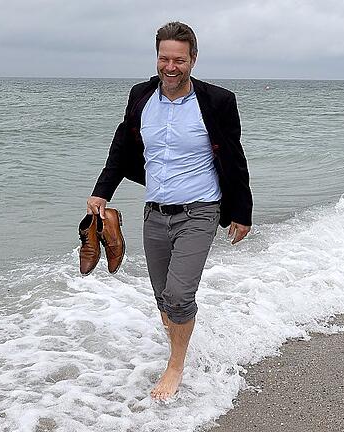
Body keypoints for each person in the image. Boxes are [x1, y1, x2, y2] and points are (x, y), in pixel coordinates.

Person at [86, 21, 253, 400]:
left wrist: (242, 212)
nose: (170, 66)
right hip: (154, 210)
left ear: (193, 59)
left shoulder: (218, 101)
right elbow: (121, 146)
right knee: (163, 296)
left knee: (178, 295)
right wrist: (101, 192)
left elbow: (234, 157)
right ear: (157, 57)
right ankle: (181, 335)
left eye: (179, 59)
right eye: (164, 58)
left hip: (200, 209)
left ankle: (175, 365)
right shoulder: (141, 95)